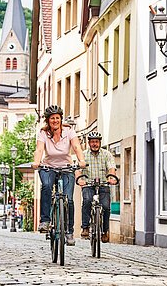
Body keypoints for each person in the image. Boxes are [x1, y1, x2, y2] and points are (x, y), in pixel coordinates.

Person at [32, 105, 86, 246]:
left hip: (67, 167)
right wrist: (37, 162)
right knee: (47, 186)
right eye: (52, 118)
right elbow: (39, 149)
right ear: (48, 121)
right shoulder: (43, 133)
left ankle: (69, 232)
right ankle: (45, 221)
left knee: (69, 199)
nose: (55, 120)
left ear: (61, 119)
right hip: (48, 167)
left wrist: (81, 160)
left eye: (57, 118)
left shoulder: (69, 130)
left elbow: (76, 146)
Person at [75, 131, 117, 243]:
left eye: (97, 142)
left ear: (100, 142)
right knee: (87, 201)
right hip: (88, 184)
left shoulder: (106, 154)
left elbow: (111, 167)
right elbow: (78, 170)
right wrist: (80, 180)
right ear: (89, 143)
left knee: (106, 207)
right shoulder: (83, 154)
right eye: (93, 142)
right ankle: (85, 227)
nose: (95, 144)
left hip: (103, 183)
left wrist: (112, 177)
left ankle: (105, 231)